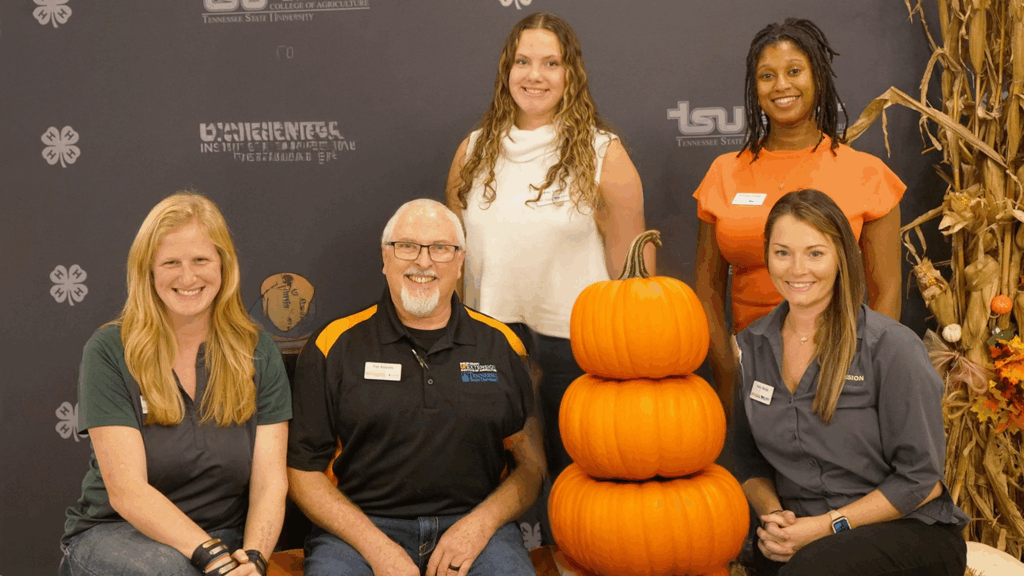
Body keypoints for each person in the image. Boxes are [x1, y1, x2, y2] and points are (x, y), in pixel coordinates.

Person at [286, 199, 544, 576]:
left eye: (441, 248)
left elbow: (531, 466)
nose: (423, 262)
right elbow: (303, 473)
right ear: (385, 258)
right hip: (359, 532)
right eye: (407, 246)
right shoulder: (333, 344)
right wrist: (378, 549)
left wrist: (479, 526)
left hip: (475, 529)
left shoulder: (503, 345)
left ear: (460, 262)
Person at [445, 12, 650, 479]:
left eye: (550, 63)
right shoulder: (471, 152)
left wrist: (634, 356)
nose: (534, 75)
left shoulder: (604, 154)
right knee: (495, 476)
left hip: (578, 349)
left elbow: (635, 275)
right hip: (491, 343)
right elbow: (451, 263)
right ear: (506, 70)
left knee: (578, 481)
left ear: (570, 74)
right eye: (523, 61)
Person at [729, 189, 968, 576]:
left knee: (812, 568)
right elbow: (748, 459)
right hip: (800, 534)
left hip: (904, 530)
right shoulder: (751, 346)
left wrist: (825, 527)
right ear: (767, 255)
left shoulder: (890, 347)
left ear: (841, 256)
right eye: (782, 252)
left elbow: (921, 480)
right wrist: (776, 520)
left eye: (815, 253)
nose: (796, 269)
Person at [60, 192, 292, 576]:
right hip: (118, 535)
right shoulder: (109, 350)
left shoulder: (258, 350)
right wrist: (211, 558)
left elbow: (270, 481)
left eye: (201, 260)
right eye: (171, 263)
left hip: (223, 535)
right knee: (172, 570)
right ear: (148, 272)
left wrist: (253, 558)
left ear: (223, 264)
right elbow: (127, 492)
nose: (188, 277)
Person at [693, 18, 904, 417]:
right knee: (752, 478)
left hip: (837, 366)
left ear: (818, 79)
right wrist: (726, 368)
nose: (781, 86)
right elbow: (706, 289)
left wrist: (858, 367)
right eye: (767, 76)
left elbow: (887, 293)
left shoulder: (866, 173)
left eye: (794, 71)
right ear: (754, 89)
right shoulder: (724, 172)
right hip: (749, 363)